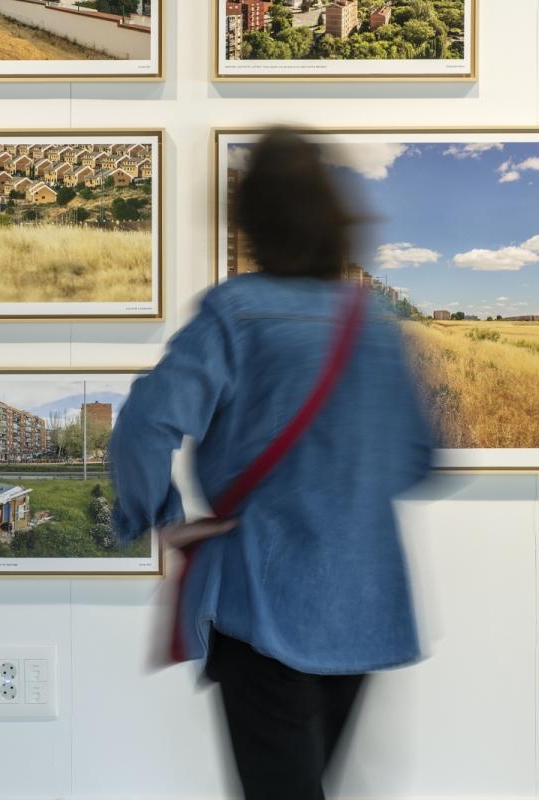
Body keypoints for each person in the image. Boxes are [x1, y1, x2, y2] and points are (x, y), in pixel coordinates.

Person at [109, 128, 433, 800]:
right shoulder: (371, 321)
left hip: (263, 599)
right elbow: (417, 462)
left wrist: (164, 517)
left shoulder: (236, 313)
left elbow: (144, 424)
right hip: (366, 606)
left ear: (251, 220)